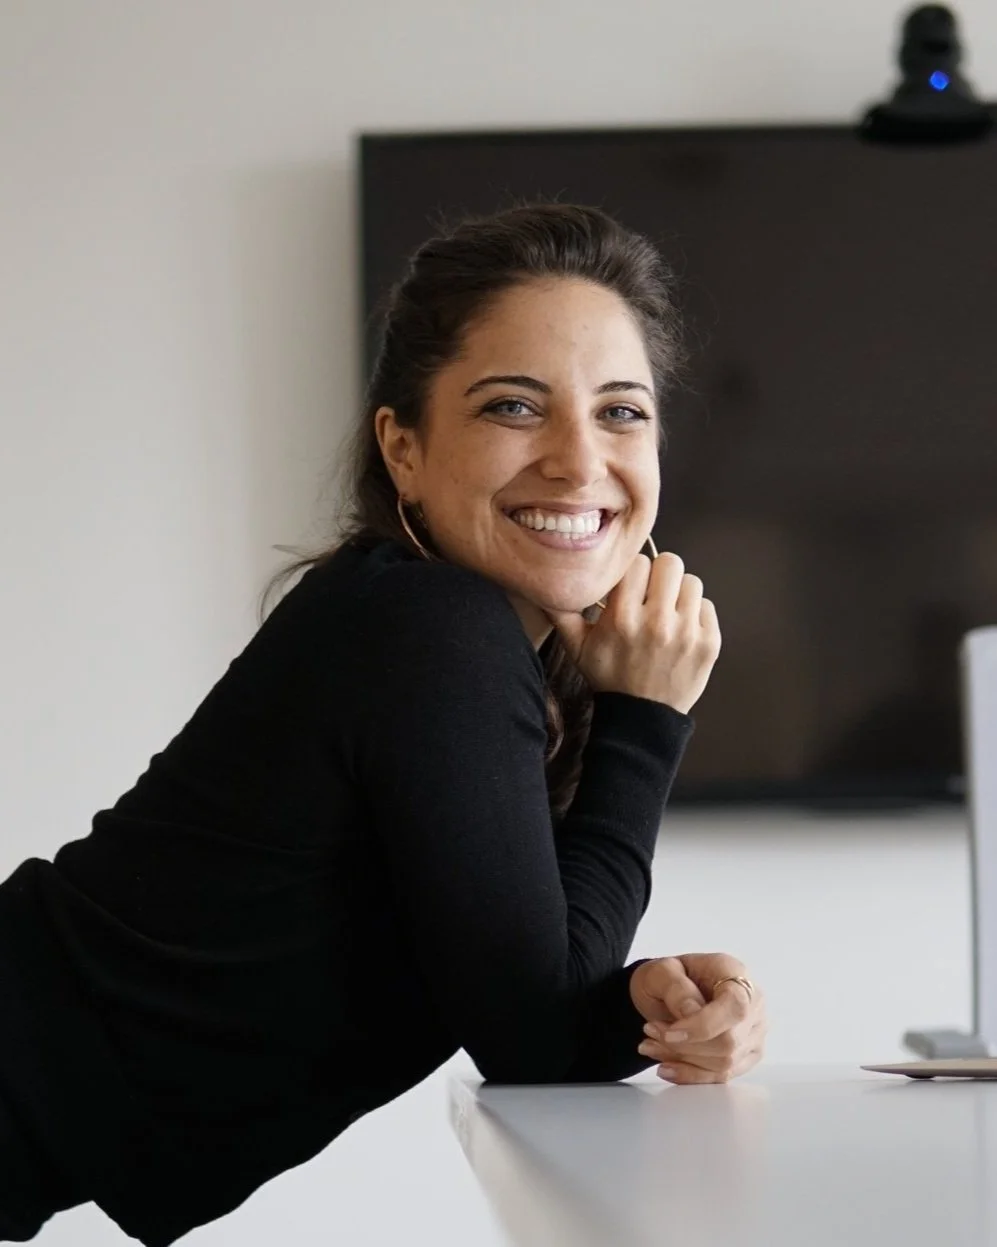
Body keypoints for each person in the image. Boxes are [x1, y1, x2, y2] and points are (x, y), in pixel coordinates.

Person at [0, 203, 767, 1245]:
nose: (580, 461)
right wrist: (646, 718)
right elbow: (532, 1036)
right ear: (402, 448)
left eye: (621, 411)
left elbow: (518, 994)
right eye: (513, 406)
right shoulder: (427, 627)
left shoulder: (452, 639)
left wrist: (656, 1004)